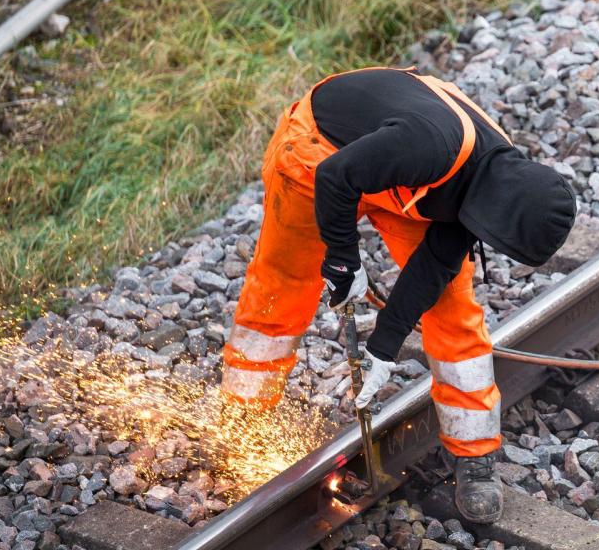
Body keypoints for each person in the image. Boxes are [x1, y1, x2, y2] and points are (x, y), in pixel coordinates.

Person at [220, 67, 576, 523]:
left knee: (453, 310)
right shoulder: (430, 145)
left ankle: (475, 453)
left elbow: (431, 271)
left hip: (403, 175)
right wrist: (345, 261)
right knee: (284, 287)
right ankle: (244, 420)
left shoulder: (497, 185)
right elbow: (335, 177)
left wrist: (383, 346)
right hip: (320, 152)